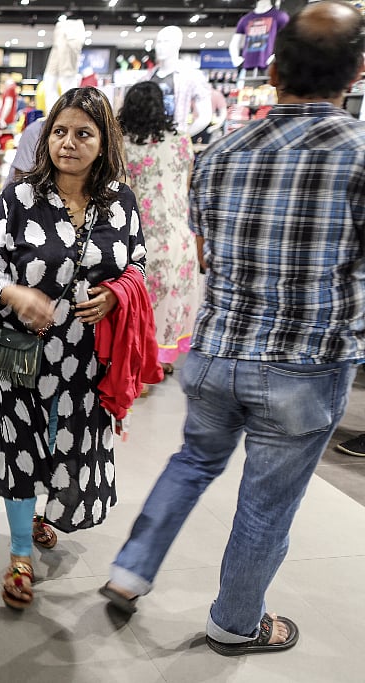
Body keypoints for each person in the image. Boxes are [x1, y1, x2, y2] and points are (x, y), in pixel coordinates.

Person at [103, 1, 365, 656]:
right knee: (265, 504)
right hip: (304, 361)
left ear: (272, 72)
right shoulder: (358, 156)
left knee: (193, 459)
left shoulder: (221, 152)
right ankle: (234, 621)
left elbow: (210, 251)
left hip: (218, 346)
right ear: (356, 74)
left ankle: (132, 566)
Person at [0, 87, 146, 610]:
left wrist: (118, 295)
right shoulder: (19, 197)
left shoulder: (121, 201)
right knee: (21, 444)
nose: (67, 143)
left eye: (83, 133)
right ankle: (21, 552)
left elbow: (137, 261)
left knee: (68, 441)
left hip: (87, 357)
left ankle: (46, 514)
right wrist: (16, 294)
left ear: (104, 141)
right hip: (22, 352)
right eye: (59, 132)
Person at [117, 81, 198, 375]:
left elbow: (122, 191)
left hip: (143, 234)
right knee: (172, 297)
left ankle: (140, 363)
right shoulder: (182, 142)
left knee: (141, 301)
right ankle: (162, 359)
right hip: (180, 233)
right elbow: (185, 187)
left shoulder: (124, 145)